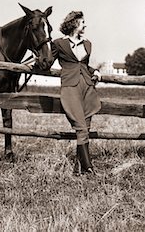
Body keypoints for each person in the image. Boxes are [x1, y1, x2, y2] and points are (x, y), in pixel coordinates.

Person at [51, 11, 102, 175]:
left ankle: (79, 170)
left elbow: (85, 65)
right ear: (74, 24)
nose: (85, 25)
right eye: (82, 22)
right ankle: (88, 169)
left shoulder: (88, 44)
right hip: (70, 87)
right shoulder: (59, 43)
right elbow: (46, 61)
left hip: (87, 86)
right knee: (81, 128)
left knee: (86, 127)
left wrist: (96, 71)